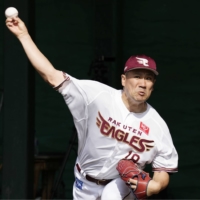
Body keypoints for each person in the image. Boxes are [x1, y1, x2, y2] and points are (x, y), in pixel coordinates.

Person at [5, 17, 178, 200]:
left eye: (149, 78)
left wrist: (156, 185)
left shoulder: (157, 125)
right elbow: (52, 76)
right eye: (137, 76)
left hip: (119, 185)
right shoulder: (97, 95)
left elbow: (163, 168)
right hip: (84, 182)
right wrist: (23, 35)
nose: (142, 83)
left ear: (153, 85)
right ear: (123, 80)